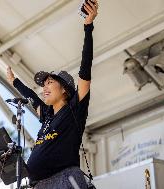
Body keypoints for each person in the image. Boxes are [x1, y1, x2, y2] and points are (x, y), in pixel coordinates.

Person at [6, 0, 98, 188]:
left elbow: (85, 69)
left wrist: (88, 27)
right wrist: (14, 82)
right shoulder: (47, 115)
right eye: (43, 84)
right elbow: (32, 96)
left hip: (64, 180)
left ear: (64, 89)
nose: (44, 88)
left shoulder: (74, 108)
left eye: (50, 83)